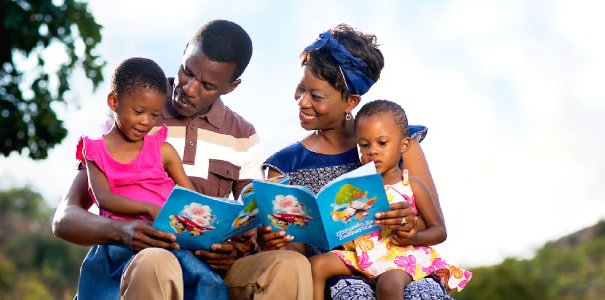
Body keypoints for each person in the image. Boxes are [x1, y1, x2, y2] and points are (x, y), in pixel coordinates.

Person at [55, 20, 314, 299]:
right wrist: (122, 230)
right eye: (186, 72)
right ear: (183, 53)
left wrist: (236, 248)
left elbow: (247, 222)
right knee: (157, 261)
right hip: (140, 262)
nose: (189, 88)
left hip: (212, 271)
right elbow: (65, 219)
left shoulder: (243, 136)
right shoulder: (130, 115)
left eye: (206, 84)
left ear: (231, 87)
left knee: (291, 265)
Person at [258, 24, 456, 299]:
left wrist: (410, 224)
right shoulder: (284, 165)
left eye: (316, 96)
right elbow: (295, 256)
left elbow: (431, 222)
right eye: (301, 88)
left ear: (351, 101)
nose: (302, 102)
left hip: (405, 270)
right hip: (336, 276)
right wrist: (277, 240)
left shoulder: (400, 142)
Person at [75, 57, 229, 299]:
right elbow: (103, 198)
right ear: (114, 101)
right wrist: (148, 208)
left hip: (169, 236)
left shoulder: (162, 149)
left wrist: (224, 222)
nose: (146, 122)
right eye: (138, 112)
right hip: (124, 242)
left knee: (209, 282)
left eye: (154, 114)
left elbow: (191, 198)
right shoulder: (95, 150)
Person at [309, 100, 471, 300]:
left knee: (388, 284)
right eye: (364, 145)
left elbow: (439, 230)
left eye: (382, 143)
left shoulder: (412, 185)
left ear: (403, 145)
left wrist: (413, 238)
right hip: (362, 256)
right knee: (317, 265)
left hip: (399, 256)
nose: (372, 151)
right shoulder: (353, 189)